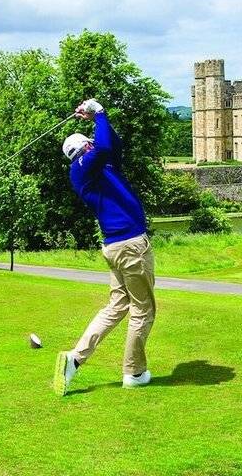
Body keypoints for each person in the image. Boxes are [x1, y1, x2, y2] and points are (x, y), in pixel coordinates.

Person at [53, 98, 156, 396]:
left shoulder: (101, 166)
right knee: (143, 310)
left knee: (117, 306)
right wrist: (97, 114)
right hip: (129, 246)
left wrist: (100, 118)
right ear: (83, 149)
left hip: (117, 246)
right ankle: (134, 372)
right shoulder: (82, 170)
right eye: (88, 145)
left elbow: (112, 144)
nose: (91, 146)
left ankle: (74, 359)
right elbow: (102, 149)